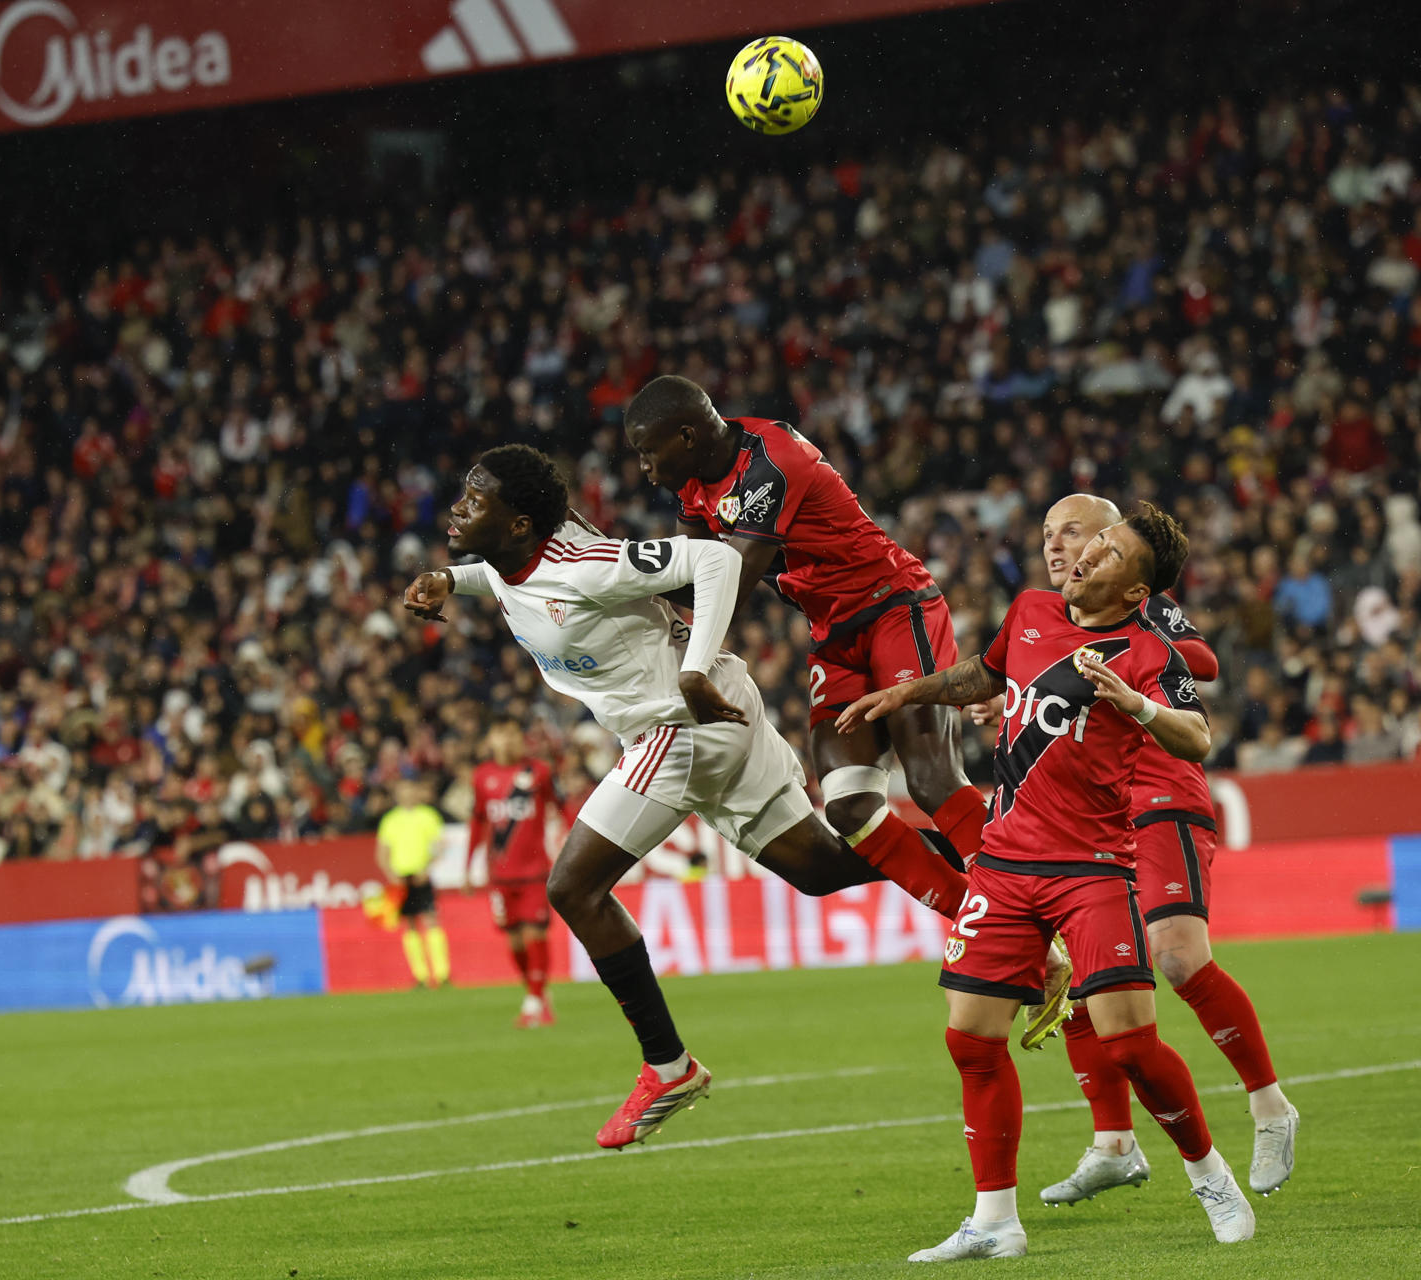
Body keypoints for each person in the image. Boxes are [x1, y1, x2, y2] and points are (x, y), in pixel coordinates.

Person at [403, 445, 960, 1150]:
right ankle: (997, 873)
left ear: (517, 524)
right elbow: (508, 576)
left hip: (681, 722)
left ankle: (669, 1067)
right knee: (820, 868)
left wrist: (693, 669)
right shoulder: (520, 555)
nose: (457, 507)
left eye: (475, 500)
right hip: (717, 711)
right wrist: (450, 579)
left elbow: (716, 562)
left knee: (573, 889)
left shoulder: (584, 565)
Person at [839, 504, 1256, 1259]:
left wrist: (1135, 703)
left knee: (1131, 1045)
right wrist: (908, 692)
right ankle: (994, 1221)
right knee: (971, 1039)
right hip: (1003, 864)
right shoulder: (1031, 609)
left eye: (1111, 553)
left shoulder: (1145, 652)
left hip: (1091, 868)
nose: (1088, 554)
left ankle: (1210, 1176)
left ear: (1136, 591)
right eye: (1097, 542)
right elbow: (985, 670)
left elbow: (1197, 736)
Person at [621, 376, 1071, 1050]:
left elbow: (729, 582)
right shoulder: (692, 486)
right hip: (835, 635)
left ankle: (1036, 914)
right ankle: (994, 929)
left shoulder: (772, 461)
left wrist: (676, 644)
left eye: (647, 451)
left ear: (686, 435)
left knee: (931, 778)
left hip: (895, 606)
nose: (643, 467)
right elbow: (689, 581)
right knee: (850, 809)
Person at [975, 494, 1297, 1204]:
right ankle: (1114, 1142)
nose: (1059, 547)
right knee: (1089, 980)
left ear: (1112, 545)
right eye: (1049, 534)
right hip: (1083, 825)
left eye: (1075, 534)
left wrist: (1123, 656)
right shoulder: (1048, 616)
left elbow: (1202, 661)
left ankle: (1269, 1104)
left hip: (1156, 793)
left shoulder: (1140, 610)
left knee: (1177, 958)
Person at [468, 717, 560, 1027]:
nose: (507, 740)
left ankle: (533, 1003)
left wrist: (570, 840)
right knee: (515, 942)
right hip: (500, 875)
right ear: (490, 740)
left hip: (535, 871)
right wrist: (468, 865)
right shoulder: (482, 776)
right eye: (500, 734)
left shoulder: (539, 772)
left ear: (521, 739)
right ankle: (537, 994)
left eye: (512, 734)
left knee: (535, 933)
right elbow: (478, 821)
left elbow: (559, 806)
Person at [375, 777, 451, 989]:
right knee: (409, 924)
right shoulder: (390, 820)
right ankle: (421, 975)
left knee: (431, 919)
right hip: (401, 878)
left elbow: (440, 845)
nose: (407, 794)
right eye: (403, 790)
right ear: (397, 794)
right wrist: (391, 874)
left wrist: (428, 868)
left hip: (421, 876)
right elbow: (382, 852)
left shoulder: (428, 815)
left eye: (410, 789)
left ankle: (442, 973)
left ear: (417, 792)